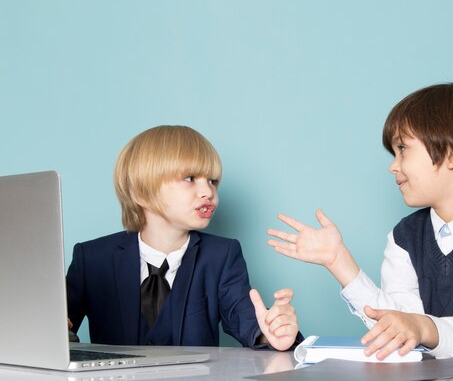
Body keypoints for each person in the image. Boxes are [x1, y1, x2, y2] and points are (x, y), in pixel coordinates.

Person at [267, 82, 453, 359]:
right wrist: (338, 262)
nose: (393, 166)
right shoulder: (405, 236)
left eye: (403, 149)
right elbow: (397, 325)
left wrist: (421, 327)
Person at [66, 125, 300, 350]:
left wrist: (272, 333)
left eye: (212, 181)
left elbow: (246, 318)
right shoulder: (92, 259)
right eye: (189, 178)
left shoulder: (221, 256)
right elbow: (53, 330)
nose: (208, 192)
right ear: (140, 192)